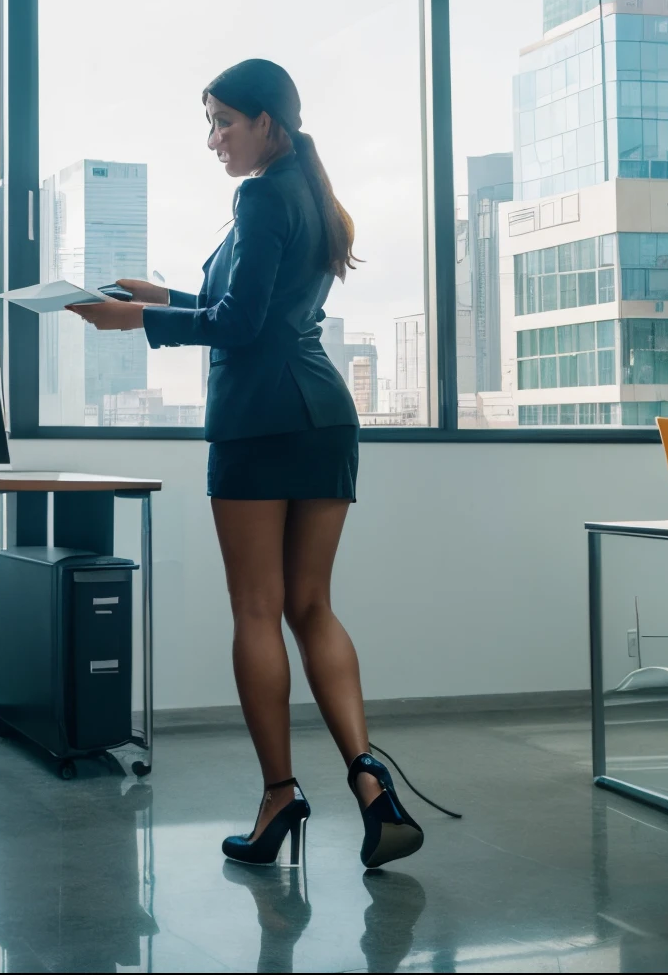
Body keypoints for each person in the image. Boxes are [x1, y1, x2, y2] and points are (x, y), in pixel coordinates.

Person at [68, 58, 423, 870]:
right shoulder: (310, 192)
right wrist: (158, 298)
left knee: (259, 611)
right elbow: (251, 312)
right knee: (312, 608)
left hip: (259, 422)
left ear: (269, 121)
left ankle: (279, 798)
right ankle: (372, 784)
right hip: (323, 417)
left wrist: (137, 322)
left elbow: (239, 327)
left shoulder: (262, 194)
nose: (213, 138)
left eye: (224, 121)